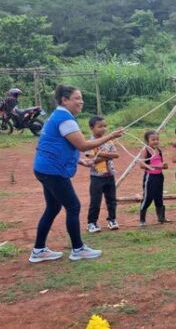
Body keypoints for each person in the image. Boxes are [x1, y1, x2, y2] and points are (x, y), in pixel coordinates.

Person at [30, 84, 124, 263]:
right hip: (52, 171)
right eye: (76, 98)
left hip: (45, 168)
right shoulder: (65, 119)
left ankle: (39, 250)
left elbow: (58, 145)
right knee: (73, 206)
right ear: (64, 100)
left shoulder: (59, 116)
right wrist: (111, 136)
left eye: (81, 98)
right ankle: (78, 249)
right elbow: (82, 145)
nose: (81, 102)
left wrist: (80, 161)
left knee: (53, 207)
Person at [82, 116, 120, 233]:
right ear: (92, 128)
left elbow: (116, 155)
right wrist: (107, 155)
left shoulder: (109, 141)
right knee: (95, 201)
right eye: (100, 126)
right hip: (96, 177)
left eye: (104, 126)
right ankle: (92, 223)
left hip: (109, 175)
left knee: (112, 200)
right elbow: (92, 160)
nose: (103, 129)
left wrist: (100, 154)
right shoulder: (89, 143)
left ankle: (112, 219)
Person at [138, 130, 176, 227]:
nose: (155, 141)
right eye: (153, 140)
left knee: (159, 197)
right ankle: (142, 220)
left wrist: (164, 166)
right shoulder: (145, 150)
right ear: (147, 141)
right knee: (148, 197)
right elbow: (141, 165)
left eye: (157, 139)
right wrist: (158, 166)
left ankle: (161, 217)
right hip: (150, 177)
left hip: (159, 176)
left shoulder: (159, 150)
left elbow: (161, 164)